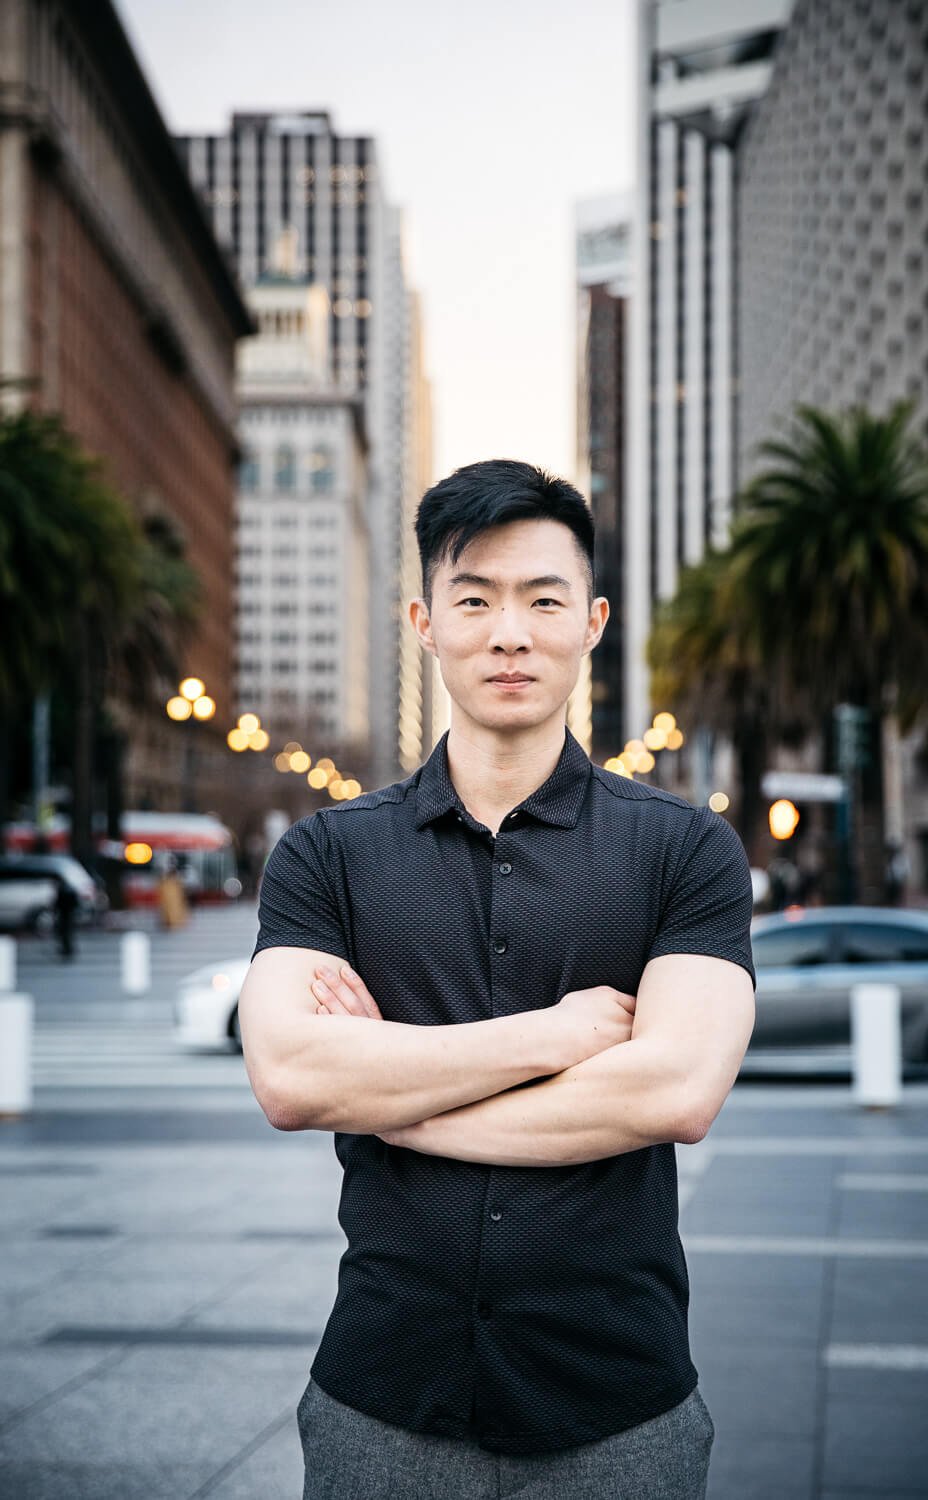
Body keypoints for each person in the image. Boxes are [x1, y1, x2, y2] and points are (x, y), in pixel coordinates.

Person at [240, 460, 756, 1500]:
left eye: (543, 600)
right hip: (381, 1402)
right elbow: (294, 1078)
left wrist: (389, 1097)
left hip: (616, 1410)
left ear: (593, 620)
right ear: (425, 621)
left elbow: (672, 1093)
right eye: (474, 599)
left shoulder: (685, 852)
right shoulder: (327, 854)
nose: (508, 632)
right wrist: (550, 1038)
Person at [53, 877, 78, 960]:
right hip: (69, 914)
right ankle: (68, 949)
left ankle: (67, 949)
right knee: (68, 933)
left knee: (65, 933)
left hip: (64, 915)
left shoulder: (63, 890)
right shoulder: (70, 890)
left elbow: (57, 903)